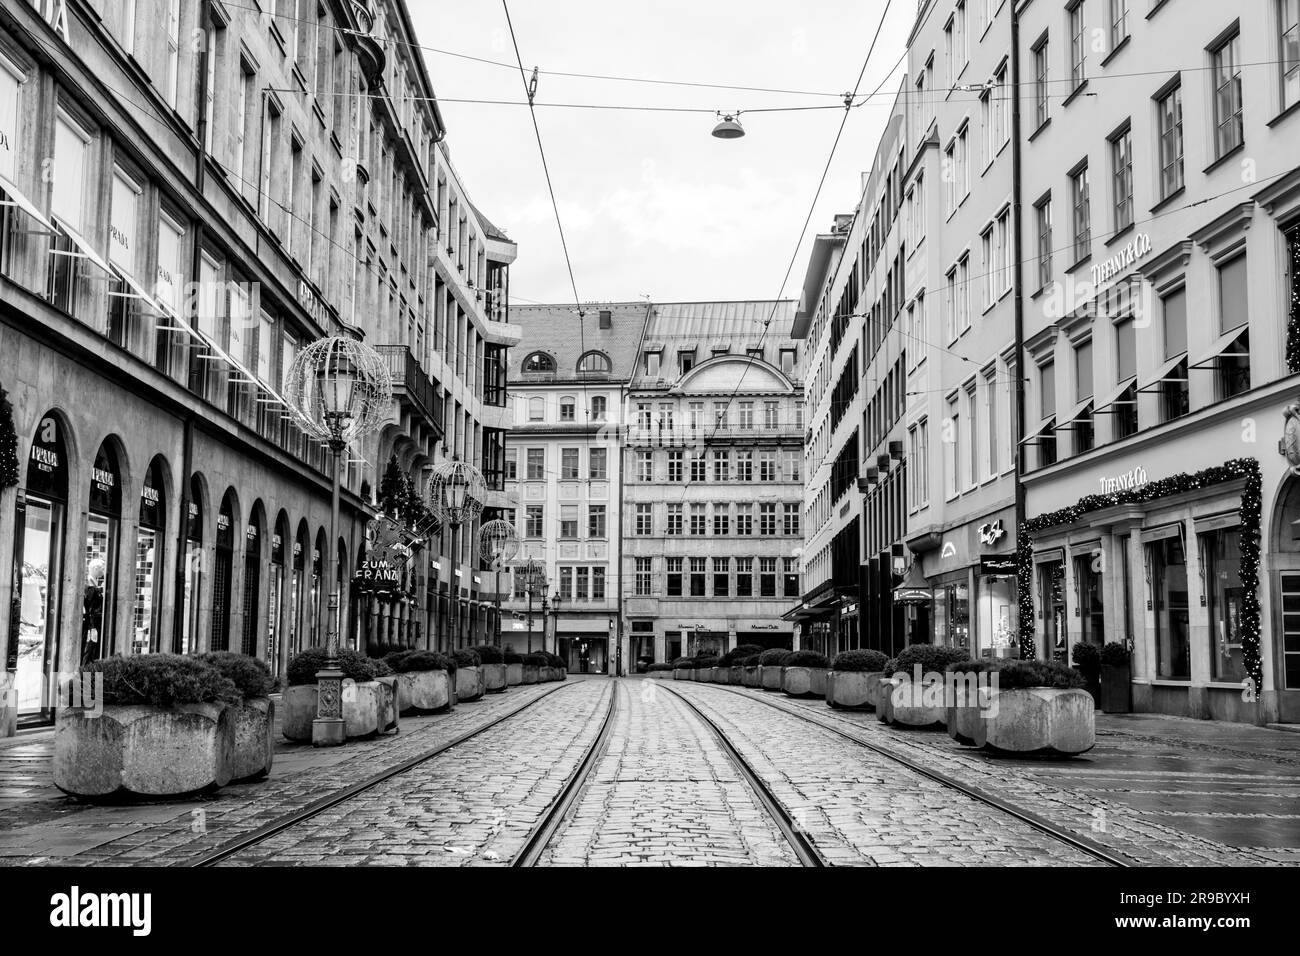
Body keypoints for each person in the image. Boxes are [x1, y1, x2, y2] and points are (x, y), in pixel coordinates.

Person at [81, 558, 106, 666]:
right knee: (89, 650)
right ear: (95, 569)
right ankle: (85, 674)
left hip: (93, 623)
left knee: (92, 650)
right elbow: (90, 606)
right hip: (92, 624)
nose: (103, 572)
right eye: (102, 569)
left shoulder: (93, 584)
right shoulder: (90, 585)